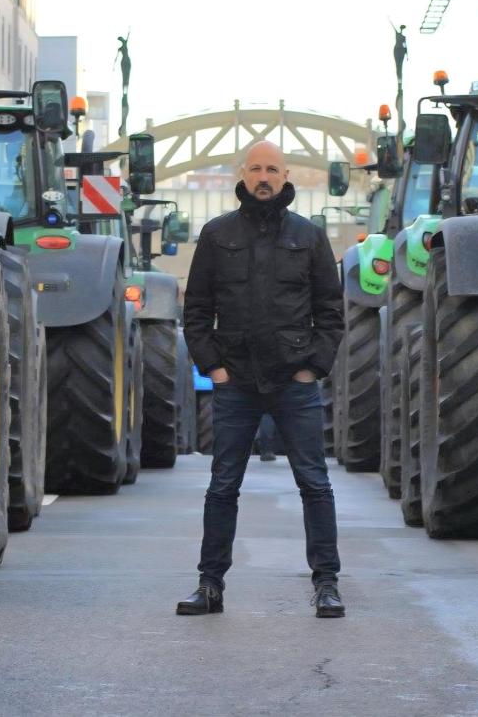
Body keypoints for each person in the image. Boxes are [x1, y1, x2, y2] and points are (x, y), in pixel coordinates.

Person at [178, 140, 345, 618]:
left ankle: (328, 584)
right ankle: (209, 586)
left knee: (314, 483)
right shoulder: (216, 235)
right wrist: (216, 369)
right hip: (237, 385)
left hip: (295, 382)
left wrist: (311, 367)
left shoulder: (309, 237)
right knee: (222, 486)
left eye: (272, 168)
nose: (264, 176)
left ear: (286, 174)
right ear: (243, 175)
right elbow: (196, 312)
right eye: (256, 168)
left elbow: (330, 313)